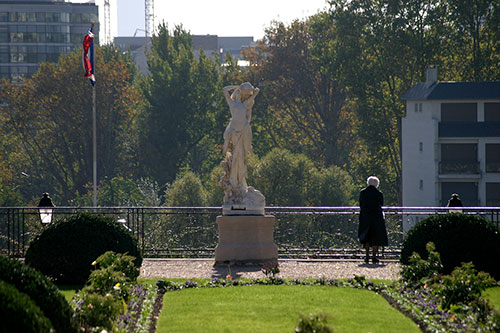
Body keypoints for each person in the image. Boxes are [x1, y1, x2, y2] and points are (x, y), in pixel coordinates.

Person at [221, 82, 259, 203]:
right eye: (236, 94)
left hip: (243, 130)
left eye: (239, 94)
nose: (237, 95)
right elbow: (224, 89)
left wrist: (253, 90)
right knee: (233, 156)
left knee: (241, 157)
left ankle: (240, 183)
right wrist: (237, 87)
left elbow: (255, 94)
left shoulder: (244, 105)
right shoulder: (231, 103)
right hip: (234, 131)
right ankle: (234, 183)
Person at [358, 176, 388, 264]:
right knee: (376, 237)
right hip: (377, 217)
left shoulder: (363, 192)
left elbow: (361, 204)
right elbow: (381, 204)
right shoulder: (379, 193)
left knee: (366, 236)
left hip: (365, 217)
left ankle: (367, 256)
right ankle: (374, 256)